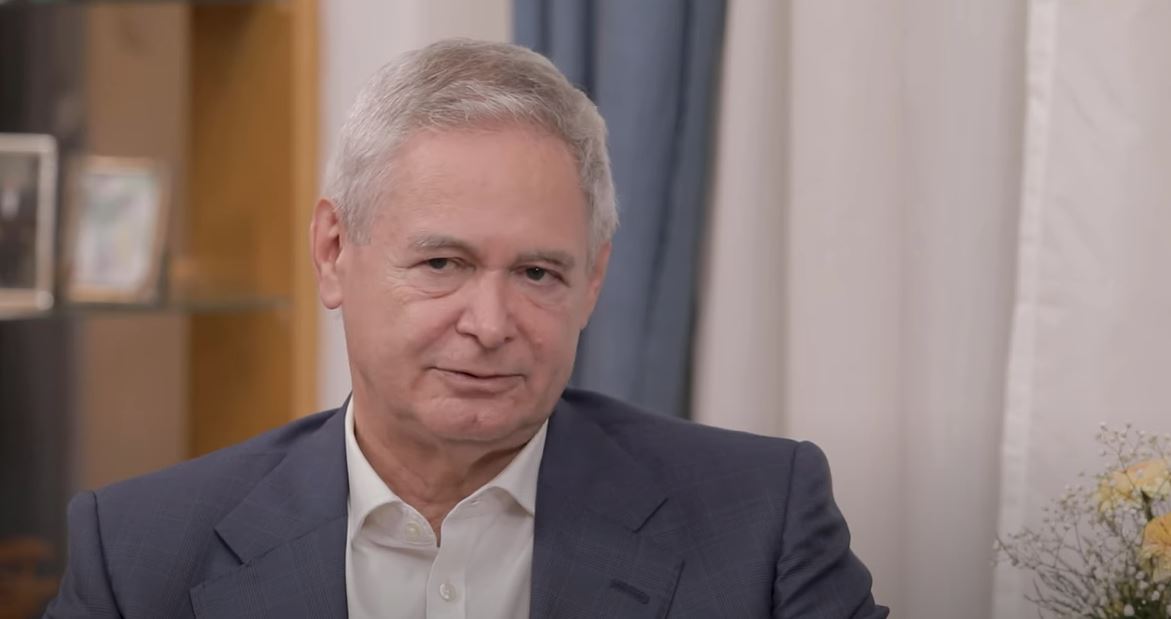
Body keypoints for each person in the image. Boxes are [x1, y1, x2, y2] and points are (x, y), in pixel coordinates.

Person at [44, 39, 887, 618]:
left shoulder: (759, 522)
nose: (489, 325)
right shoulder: (140, 553)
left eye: (537, 273)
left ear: (592, 281)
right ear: (333, 252)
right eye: (442, 263)